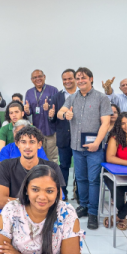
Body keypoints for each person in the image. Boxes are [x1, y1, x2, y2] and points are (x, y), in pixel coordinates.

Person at [0, 165, 84, 254]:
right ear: (26, 190)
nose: (42, 197)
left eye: (49, 191)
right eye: (35, 189)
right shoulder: (12, 209)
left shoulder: (67, 213)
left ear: (57, 192)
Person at [57, 67, 112, 230]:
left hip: (95, 148)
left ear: (91, 79)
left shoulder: (101, 98)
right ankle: (85, 206)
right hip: (76, 147)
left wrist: (97, 143)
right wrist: (65, 114)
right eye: (78, 78)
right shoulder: (72, 98)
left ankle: (93, 212)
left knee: (93, 180)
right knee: (80, 178)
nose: (80, 81)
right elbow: (60, 112)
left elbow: (106, 123)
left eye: (83, 78)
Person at [0, 126, 64, 209]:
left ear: (39, 144)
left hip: (43, 214)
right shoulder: (6, 166)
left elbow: (57, 201)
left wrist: (19, 202)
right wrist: (37, 202)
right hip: (16, 213)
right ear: (17, 144)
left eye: (32, 142)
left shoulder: (52, 168)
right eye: (23, 142)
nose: (27, 146)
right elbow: (1, 202)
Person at [49, 68, 77, 197]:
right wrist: (51, 116)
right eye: (64, 79)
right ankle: (63, 193)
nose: (67, 81)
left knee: (80, 168)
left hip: (80, 138)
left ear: (75, 79)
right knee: (64, 166)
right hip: (64, 137)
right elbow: (53, 120)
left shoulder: (83, 94)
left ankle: (79, 194)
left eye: (70, 78)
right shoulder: (56, 97)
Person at [24, 69, 59, 163]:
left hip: (51, 130)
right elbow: (29, 112)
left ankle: (52, 173)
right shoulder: (29, 93)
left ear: (44, 77)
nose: (38, 79)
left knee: (52, 158)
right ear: (32, 80)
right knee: (38, 157)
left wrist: (50, 107)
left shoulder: (53, 90)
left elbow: (59, 108)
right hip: (37, 131)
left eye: (40, 76)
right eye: (35, 77)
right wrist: (27, 111)